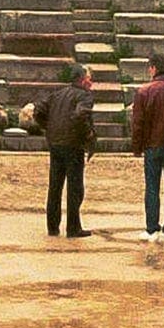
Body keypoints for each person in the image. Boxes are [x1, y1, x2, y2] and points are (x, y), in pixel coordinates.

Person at [127, 54, 164, 242]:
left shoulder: (144, 91)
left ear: (153, 68)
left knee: (152, 187)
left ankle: (151, 229)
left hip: (152, 145)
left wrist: (137, 147)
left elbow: (138, 123)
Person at [41, 64, 96, 238]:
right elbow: (80, 115)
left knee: (55, 186)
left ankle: (52, 226)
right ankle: (73, 227)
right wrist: (87, 134)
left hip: (55, 144)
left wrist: (49, 128)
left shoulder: (57, 94)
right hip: (73, 145)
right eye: (89, 78)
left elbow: (39, 110)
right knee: (75, 188)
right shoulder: (84, 96)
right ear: (82, 79)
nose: (91, 82)